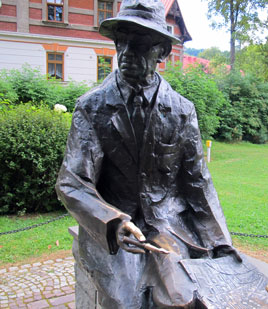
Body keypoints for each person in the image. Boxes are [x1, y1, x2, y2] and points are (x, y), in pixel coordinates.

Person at [55, 0, 240, 307]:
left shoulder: (181, 111)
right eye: (122, 44)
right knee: (126, 301)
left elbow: (198, 183)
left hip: (167, 223)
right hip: (114, 231)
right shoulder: (92, 107)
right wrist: (112, 222)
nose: (126, 54)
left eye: (139, 45)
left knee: (185, 298)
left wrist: (221, 242)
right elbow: (72, 182)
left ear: (162, 52)